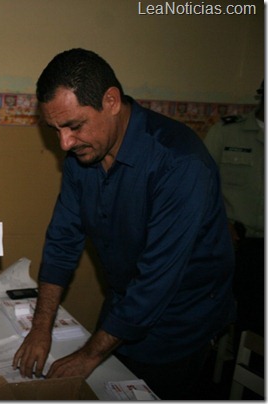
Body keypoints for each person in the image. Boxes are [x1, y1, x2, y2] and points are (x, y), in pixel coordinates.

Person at [12, 48, 235, 400]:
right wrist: (41, 329)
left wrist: (89, 355)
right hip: (123, 307)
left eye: (74, 126)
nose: (64, 143)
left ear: (111, 101)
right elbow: (62, 242)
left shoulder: (180, 162)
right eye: (54, 129)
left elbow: (156, 281)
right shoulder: (84, 153)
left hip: (181, 325)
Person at [204, 82, 264, 342]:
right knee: (233, 314)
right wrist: (221, 224)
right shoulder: (228, 132)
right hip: (236, 242)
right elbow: (200, 186)